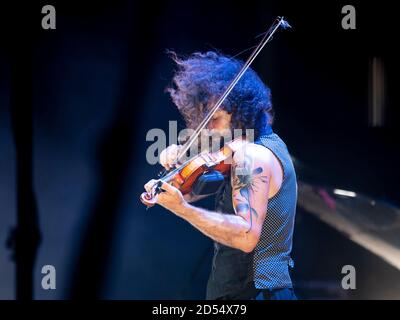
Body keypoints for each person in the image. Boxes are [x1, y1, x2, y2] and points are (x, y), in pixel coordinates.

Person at [144, 51, 298, 300]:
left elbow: (246, 234)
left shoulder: (252, 156)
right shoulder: (249, 147)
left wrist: (182, 208)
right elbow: (197, 188)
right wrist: (176, 177)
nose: (208, 128)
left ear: (240, 108)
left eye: (214, 119)